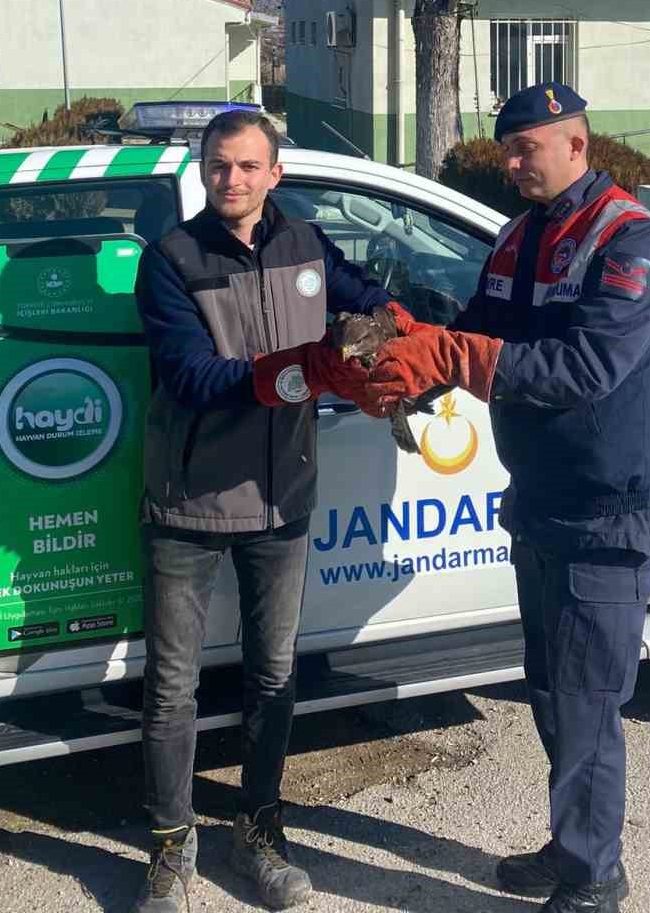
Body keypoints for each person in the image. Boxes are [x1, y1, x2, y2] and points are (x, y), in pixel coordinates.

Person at [359, 83, 650, 913]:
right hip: (539, 499)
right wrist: (411, 340)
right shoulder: (519, 236)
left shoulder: (631, 242)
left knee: (586, 706)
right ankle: (572, 845)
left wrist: (459, 355)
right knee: (552, 694)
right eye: (505, 149)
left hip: (603, 509)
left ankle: (593, 879)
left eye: (525, 150)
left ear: (577, 145)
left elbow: (585, 372)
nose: (508, 164)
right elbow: (477, 325)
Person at [132, 108, 406, 913]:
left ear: (275, 174)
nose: (233, 180)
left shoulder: (307, 246)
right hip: (189, 503)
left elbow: (372, 306)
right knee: (172, 688)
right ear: (202, 168)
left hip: (283, 500)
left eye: (249, 166)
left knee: (273, 675)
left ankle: (260, 832)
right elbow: (189, 377)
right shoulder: (171, 258)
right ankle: (171, 849)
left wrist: (383, 341)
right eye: (219, 166)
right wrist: (302, 368)